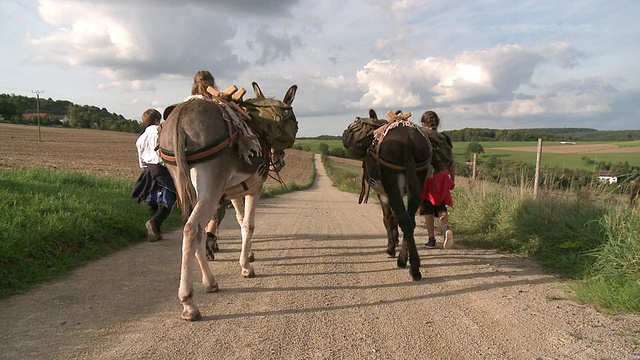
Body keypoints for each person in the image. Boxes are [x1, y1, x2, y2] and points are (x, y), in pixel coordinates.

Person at [131, 108, 176, 242]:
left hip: (147, 169)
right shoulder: (160, 131)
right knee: (172, 196)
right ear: (157, 119)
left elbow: (141, 161)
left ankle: (156, 232)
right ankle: (154, 222)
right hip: (161, 168)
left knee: (151, 199)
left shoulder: (140, 138)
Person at [420, 110, 456, 249]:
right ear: (437, 123)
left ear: (423, 123)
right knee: (441, 207)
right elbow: (451, 162)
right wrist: (451, 179)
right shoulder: (444, 138)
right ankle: (446, 229)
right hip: (442, 176)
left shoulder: (422, 137)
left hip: (428, 178)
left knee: (428, 210)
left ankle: (431, 239)